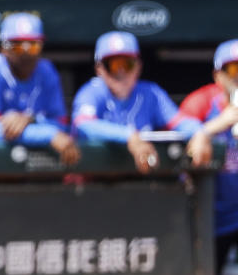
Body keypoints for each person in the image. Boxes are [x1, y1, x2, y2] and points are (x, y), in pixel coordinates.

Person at [72, 30, 209, 174]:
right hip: (90, 183)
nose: (121, 72)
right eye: (113, 65)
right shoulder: (91, 92)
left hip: (138, 183)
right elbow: (83, 124)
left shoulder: (150, 92)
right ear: (99, 69)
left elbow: (179, 121)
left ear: (138, 66)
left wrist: (199, 133)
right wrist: (129, 137)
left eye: (127, 64)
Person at [178, 39, 238, 275]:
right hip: (210, 217)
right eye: (232, 70)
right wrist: (210, 129)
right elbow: (177, 141)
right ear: (217, 75)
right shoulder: (200, 103)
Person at [0, 12, 80, 166]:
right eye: (17, 46)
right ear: (3, 48)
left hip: (28, 169)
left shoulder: (47, 71)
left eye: (33, 46)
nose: (26, 54)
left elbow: (59, 123)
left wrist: (30, 120)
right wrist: (48, 134)